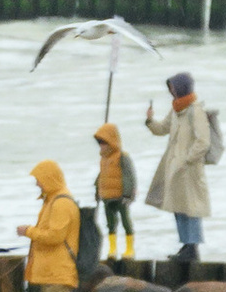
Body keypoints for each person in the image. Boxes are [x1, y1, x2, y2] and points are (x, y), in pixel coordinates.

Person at [143, 70, 218, 272]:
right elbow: (162, 129)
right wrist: (150, 121)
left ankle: (193, 248)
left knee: (191, 209)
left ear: (182, 88)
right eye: (170, 89)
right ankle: (185, 245)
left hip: (189, 170)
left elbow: (203, 141)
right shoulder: (176, 110)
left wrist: (186, 160)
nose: (172, 92)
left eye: (174, 88)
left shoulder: (195, 111)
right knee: (178, 207)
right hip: (174, 168)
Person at [23, 155, 80, 292]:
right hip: (50, 270)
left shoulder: (62, 203)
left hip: (59, 269)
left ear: (50, 178)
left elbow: (55, 236)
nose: (37, 183)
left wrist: (28, 232)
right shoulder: (51, 201)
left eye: (39, 179)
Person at [92, 120, 137, 264]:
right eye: (100, 143)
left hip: (121, 196)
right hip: (107, 197)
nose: (101, 146)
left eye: (104, 142)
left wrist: (128, 194)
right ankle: (112, 249)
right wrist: (97, 190)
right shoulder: (103, 159)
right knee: (110, 223)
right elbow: (101, 176)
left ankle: (130, 248)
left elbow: (130, 176)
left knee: (125, 222)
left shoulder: (122, 157)